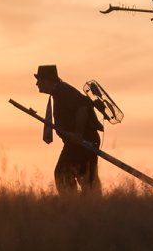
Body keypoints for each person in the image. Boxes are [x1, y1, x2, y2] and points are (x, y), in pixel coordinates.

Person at [34, 64, 103, 195]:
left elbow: (82, 108)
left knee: (62, 173)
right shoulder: (60, 91)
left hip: (83, 140)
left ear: (48, 80)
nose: (37, 84)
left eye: (40, 79)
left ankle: (71, 204)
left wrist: (78, 134)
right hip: (79, 141)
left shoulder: (62, 91)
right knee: (85, 178)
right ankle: (87, 207)